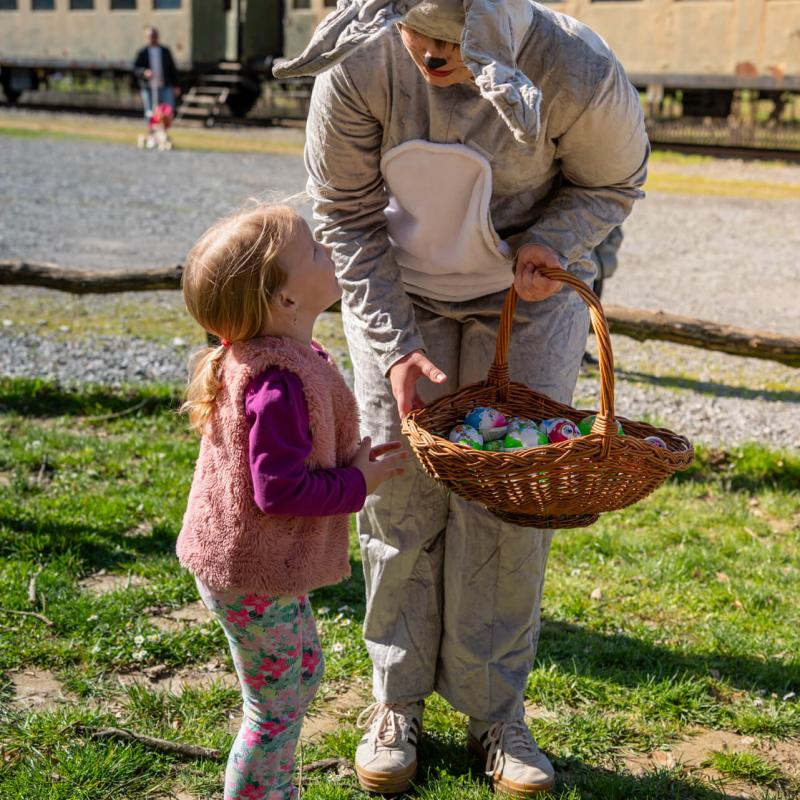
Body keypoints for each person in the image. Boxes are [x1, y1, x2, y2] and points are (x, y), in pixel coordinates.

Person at [274, 0, 649, 795]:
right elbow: (342, 211)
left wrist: (552, 246)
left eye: (455, 39)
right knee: (397, 489)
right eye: (420, 31)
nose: (433, 53)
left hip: (525, 296)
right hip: (399, 294)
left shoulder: (575, 67)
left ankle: (496, 714)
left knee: (509, 497)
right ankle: (395, 700)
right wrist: (392, 341)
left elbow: (613, 181)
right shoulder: (360, 63)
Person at [175, 204, 408, 800]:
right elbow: (278, 491)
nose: (326, 248)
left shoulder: (277, 358)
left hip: (263, 567)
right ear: (283, 302)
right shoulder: (275, 384)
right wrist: (359, 483)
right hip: (249, 572)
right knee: (272, 712)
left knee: (301, 675)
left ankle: (277, 786)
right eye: (313, 250)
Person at [134, 26, 180, 119]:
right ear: (146, 37)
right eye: (150, 36)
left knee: (167, 111)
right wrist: (144, 72)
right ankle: (151, 132)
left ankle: (164, 131)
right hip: (149, 87)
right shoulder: (142, 52)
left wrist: (176, 85)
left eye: (154, 36)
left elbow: (172, 69)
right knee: (150, 113)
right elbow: (136, 69)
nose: (152, 38)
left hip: (165, 86)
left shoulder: (165, 51)